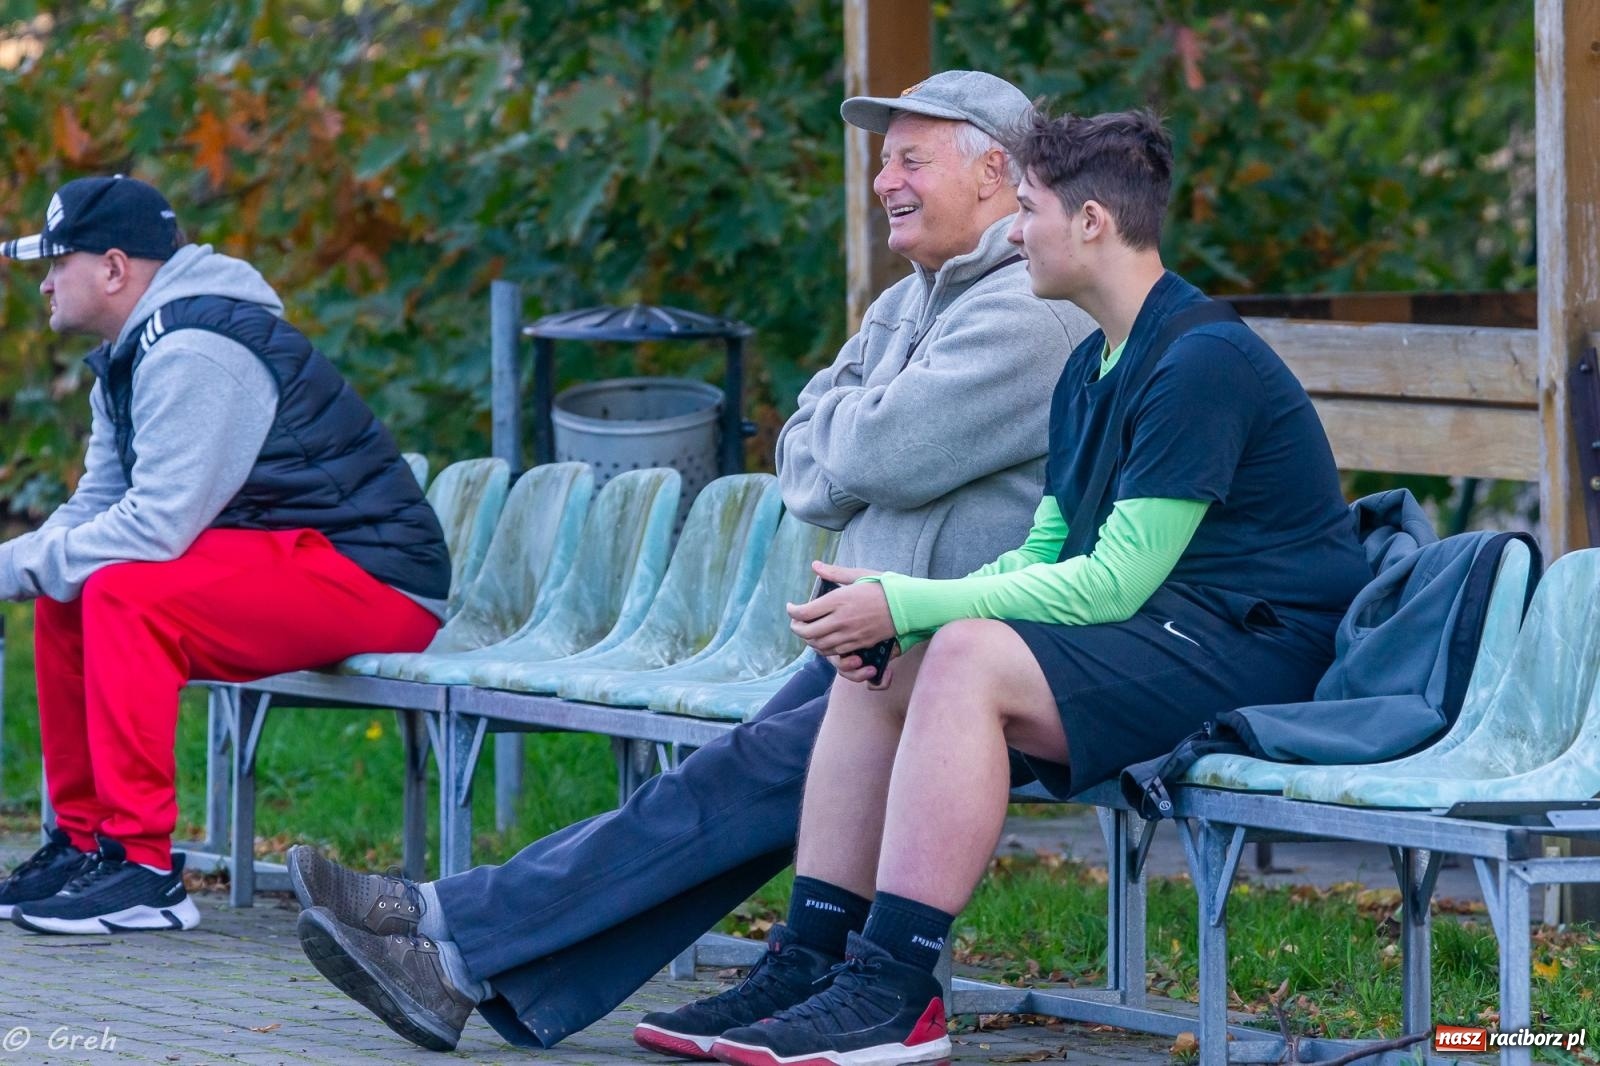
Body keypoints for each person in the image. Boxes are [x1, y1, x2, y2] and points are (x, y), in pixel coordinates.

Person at [286, 70, 1094, 1055]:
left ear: (997, 172)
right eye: (882, 158)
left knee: (737, 782)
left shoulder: (1032, 313)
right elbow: (806, 467)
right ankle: (454, 951)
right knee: (718, 788)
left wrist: (855, 431)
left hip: (980, 657)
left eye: (910, 158)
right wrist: (857, 431)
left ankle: (446, 935)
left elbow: (875, 454)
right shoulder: (904, 307)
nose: (885, 178)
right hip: (881, 636)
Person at [689, 108, 1373, 1066]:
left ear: (1091, 220)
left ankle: (893, 994)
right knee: (889, 657)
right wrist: (896, 603)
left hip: (1257, 654)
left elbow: (1112, 582)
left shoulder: (1200, 361)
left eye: (1032, 210)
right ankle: (812, 957)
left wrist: (921, 605)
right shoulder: (1089, 364)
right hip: (1166, 634)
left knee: (959, 650)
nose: (1015, 232)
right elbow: (1047, 555)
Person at [0, 175, 449, 935]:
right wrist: (22, 560)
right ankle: (82, 844)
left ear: (113, 268)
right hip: (291, 558)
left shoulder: (195, 349)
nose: (44, 282)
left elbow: (155, 530)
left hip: (376, 579)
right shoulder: (128, 352)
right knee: (69, 589)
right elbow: (98, 510)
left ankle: (144, 873)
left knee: (124, 593)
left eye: (57, 261)